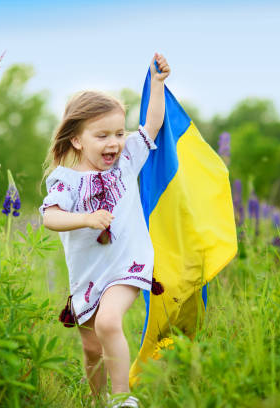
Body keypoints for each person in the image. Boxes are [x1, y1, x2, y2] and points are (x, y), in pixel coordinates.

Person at [39, 53, 170, 407]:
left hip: (128, 263)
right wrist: (86, 218)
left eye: (118, 132)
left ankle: (122, 398)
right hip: (87, 275)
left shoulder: (126, 163)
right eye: (102, 135)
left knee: (109, 323)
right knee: (91, 347)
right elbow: (50, 217)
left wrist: (156, 84)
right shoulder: (65, 180)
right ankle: (96, 400)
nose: (114, 142)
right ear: (78, 140)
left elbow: (153, 126)